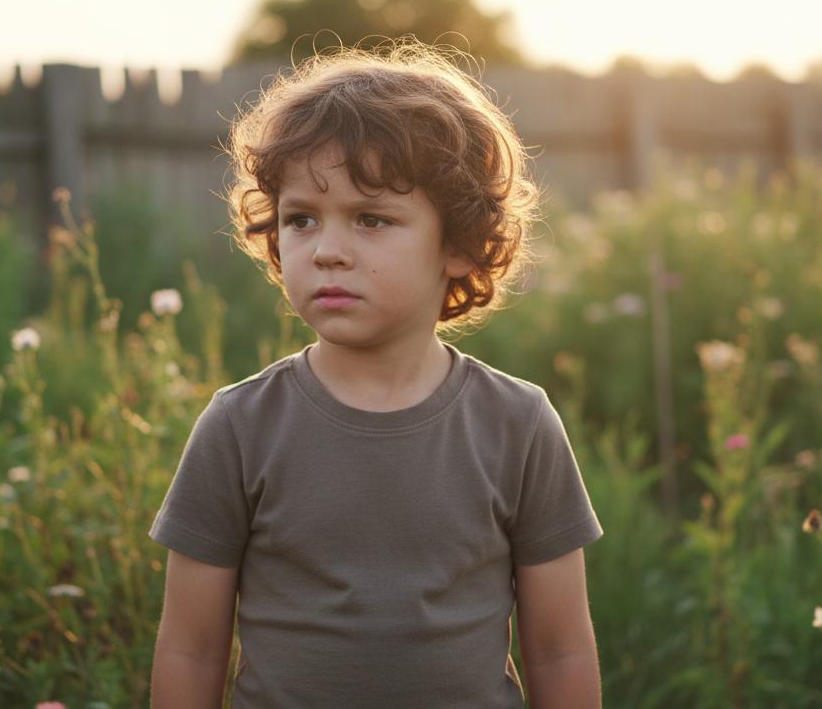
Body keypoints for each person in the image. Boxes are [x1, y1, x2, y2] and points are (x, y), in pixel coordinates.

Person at [148, 39, 603, 708]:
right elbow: (190, 648)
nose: (328, 251)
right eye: (301, 218)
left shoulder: (517, 424)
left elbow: (560, 649)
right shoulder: (240, 425)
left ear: (456, 244)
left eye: (371, 219)